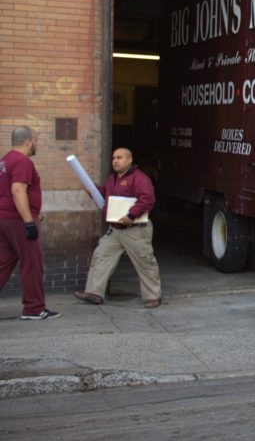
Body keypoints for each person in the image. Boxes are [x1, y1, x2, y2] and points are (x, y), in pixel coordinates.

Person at [74, 147, 162, 308]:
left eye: (120, 158)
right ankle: (94, 293)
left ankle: (152, 297)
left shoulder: (139, 178)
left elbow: (147, 199)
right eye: (114, 157)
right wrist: (94, 191)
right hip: (115, 229)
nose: (115, 160)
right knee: (101, 257)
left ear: (129, 160)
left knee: (145, 262)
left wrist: (130, 216)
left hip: (136, 230)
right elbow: (107, 194)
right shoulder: (112, 178)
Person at [0, 127, 60, 320]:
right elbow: (18, 191)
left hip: (5, 220)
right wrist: (29, 221)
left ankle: (34, 308)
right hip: (18, 220)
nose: (37, 144)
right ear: (28, 141)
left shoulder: (4, 160)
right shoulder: (22, 161)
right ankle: (34, 309)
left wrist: (33, 212)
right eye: (36, 140)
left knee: (3, 263)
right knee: (32, 263)